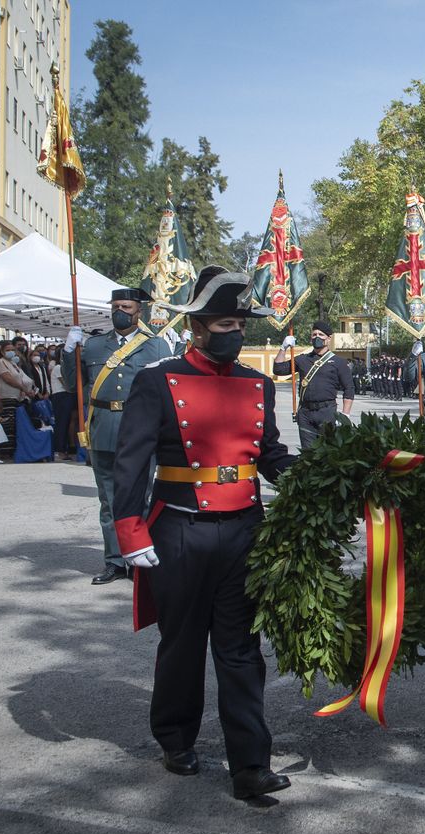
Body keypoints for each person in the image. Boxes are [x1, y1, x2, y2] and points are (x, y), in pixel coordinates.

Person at [112, 265, 297, 799]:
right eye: (223, 323)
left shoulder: (257, 384)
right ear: (197, 327)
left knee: (242, 650)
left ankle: (250, 764)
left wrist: (320, 478)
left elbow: (270, 456)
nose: (235, 332)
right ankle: (175, 737)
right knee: (183, 644)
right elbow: (131, 463)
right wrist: (130, 531)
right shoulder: (158, 378)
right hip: (180, 527)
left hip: (244, 529)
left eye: (240, 322)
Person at [64, 287, 176, 585]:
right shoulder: (93, 346)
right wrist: (68, 353)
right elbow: (72, 384)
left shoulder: (156, 347)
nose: (119, 312)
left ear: (139, 311)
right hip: (102, 428)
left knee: (141, 496)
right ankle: (114, 561)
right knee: (108, 500)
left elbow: (167, 391)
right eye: (115, 306)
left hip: (140, 429)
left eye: (126, 307)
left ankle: (139, 558)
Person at [273, 320, 355, 448]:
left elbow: (349, 389)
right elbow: (278, 369)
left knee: (328, 452)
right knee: (308, 453)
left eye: (321, 335)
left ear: (328, 339)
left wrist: (345, 414)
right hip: (306, 413)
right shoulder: (302, 359)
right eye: (314, 334)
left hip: (327, 412)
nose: (317, 337)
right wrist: (283, 348)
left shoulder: (338, 362)